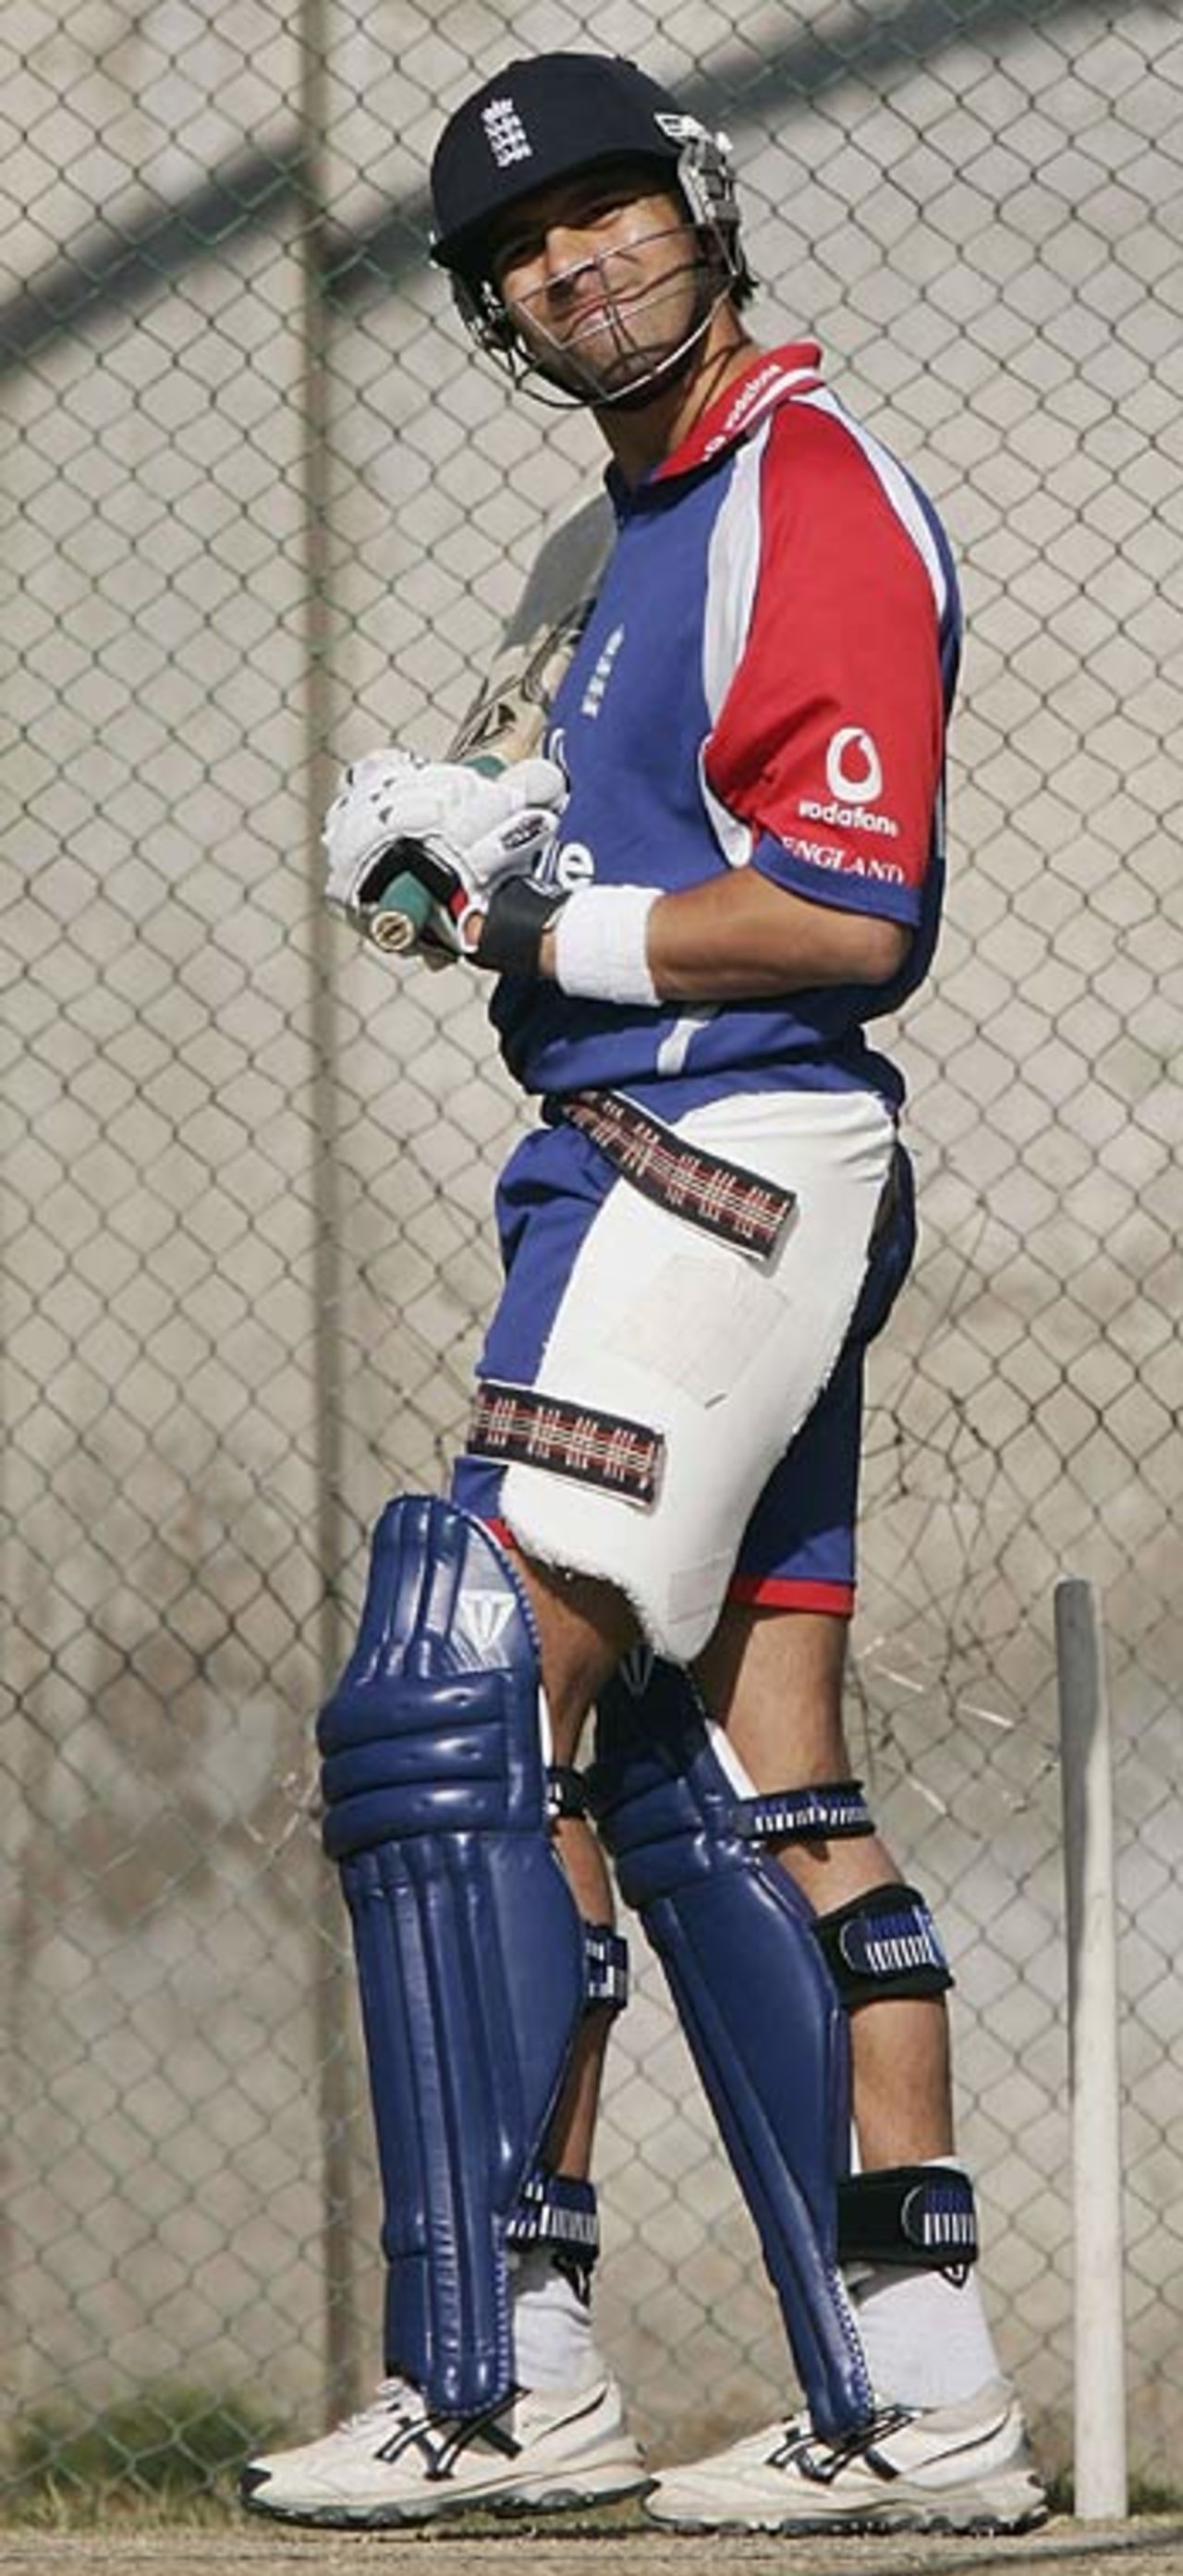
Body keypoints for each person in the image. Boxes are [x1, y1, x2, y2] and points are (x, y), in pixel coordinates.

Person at [242, 51, 1047, 2534]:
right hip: (638, 1160)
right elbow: (515, 882)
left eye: (608, 216)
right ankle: (924, 2396)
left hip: (721, 1150)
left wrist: (558, 919)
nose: (575, 267)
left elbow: (849, 905)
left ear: (697, 215)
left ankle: (503, 2363)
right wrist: (449, 882)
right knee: (750, 1772)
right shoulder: (608, 546)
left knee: (468, 1702)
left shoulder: (805, 490)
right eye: (523, 251)